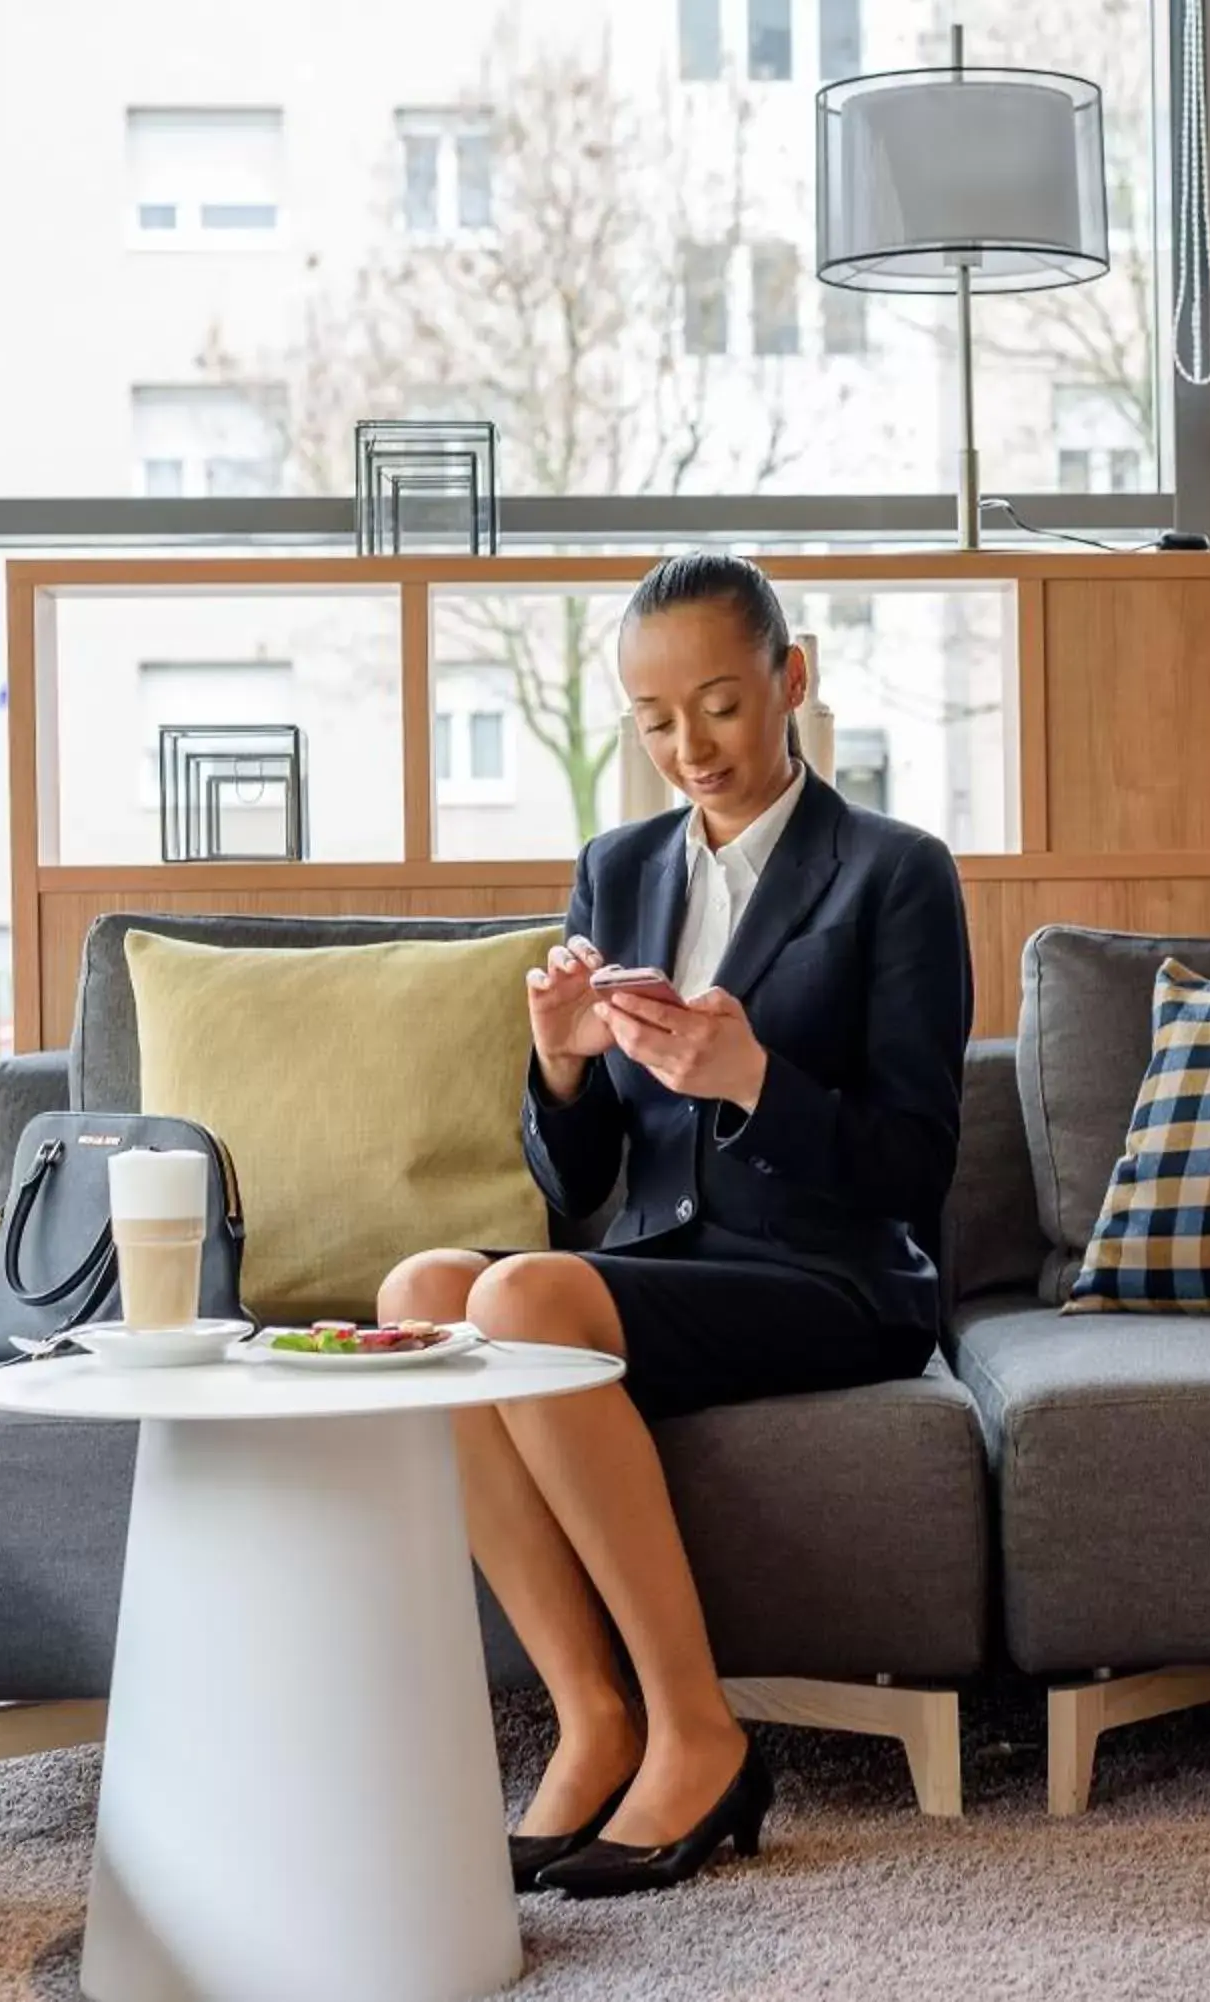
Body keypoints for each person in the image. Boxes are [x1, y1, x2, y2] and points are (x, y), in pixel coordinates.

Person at [378, 554, 973, 1900]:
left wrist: (755, 1080)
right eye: (656, 719)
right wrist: (563, 1067)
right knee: (421, 1288)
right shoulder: (620, 867)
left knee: (523, 1303)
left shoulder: (896, 873)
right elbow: (578, 1188)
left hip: (837, 1277)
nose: (687, 747)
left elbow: (917, 1166)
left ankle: (697, 1726)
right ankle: (593, 1715)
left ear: (791, 679)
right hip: (669, 1263)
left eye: (716, 703)